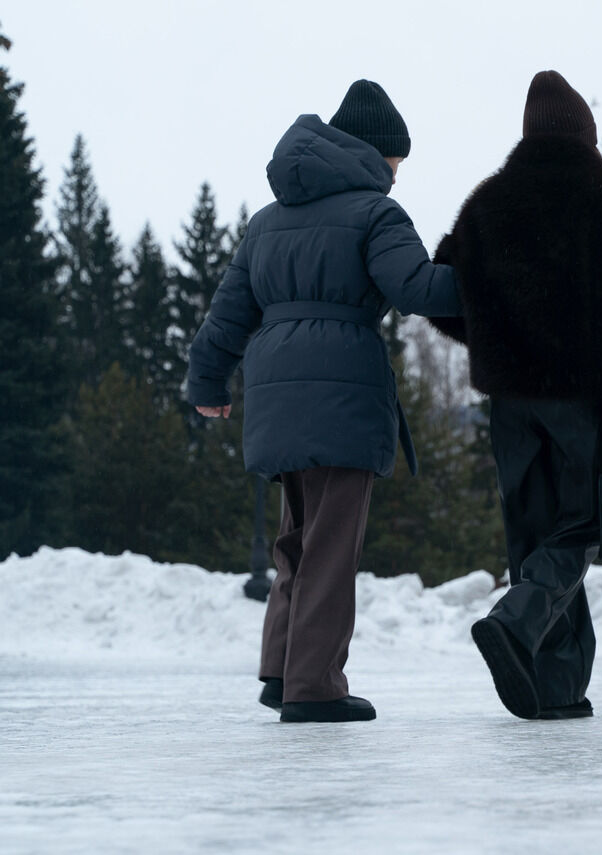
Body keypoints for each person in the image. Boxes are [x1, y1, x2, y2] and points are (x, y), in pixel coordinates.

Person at [186, 80, 461, 723]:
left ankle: (282, 672)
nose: (397, 173)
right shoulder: (376, 213)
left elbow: (227, 317)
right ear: (372, 152)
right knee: (332, 547)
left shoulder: (265, 223)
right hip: (341, 392)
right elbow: (417, 289)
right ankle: (315, 687)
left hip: (276, 394)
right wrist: (494, 275)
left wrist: (207, 384)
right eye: (395, 159)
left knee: (297, 541)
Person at [430, 70, 602, 720]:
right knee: (586, 524)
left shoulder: (489, 200)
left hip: (510, 404)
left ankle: (553, 686)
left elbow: (447, 300)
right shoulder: (600, 198)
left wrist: (497, 334)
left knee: (533, 533)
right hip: (577, 398)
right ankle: (516, 621)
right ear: (584, 135)